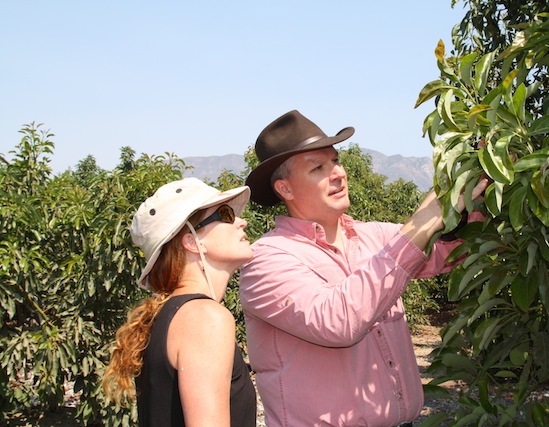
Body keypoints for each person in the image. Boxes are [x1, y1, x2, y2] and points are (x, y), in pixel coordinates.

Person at [239, 110, 488, 427]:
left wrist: (477, 185)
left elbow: (449, 252)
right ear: (285, 189)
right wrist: (420, 224)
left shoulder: (374, 236)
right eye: (318, 168)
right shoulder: (267, 259)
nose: (338, 174)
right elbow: (339, 321)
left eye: (335, 161)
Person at [102, 177, 257, 427]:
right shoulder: (204, 318)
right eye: (226, 214)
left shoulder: (172, 315)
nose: (241, 221)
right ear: (193, 241)